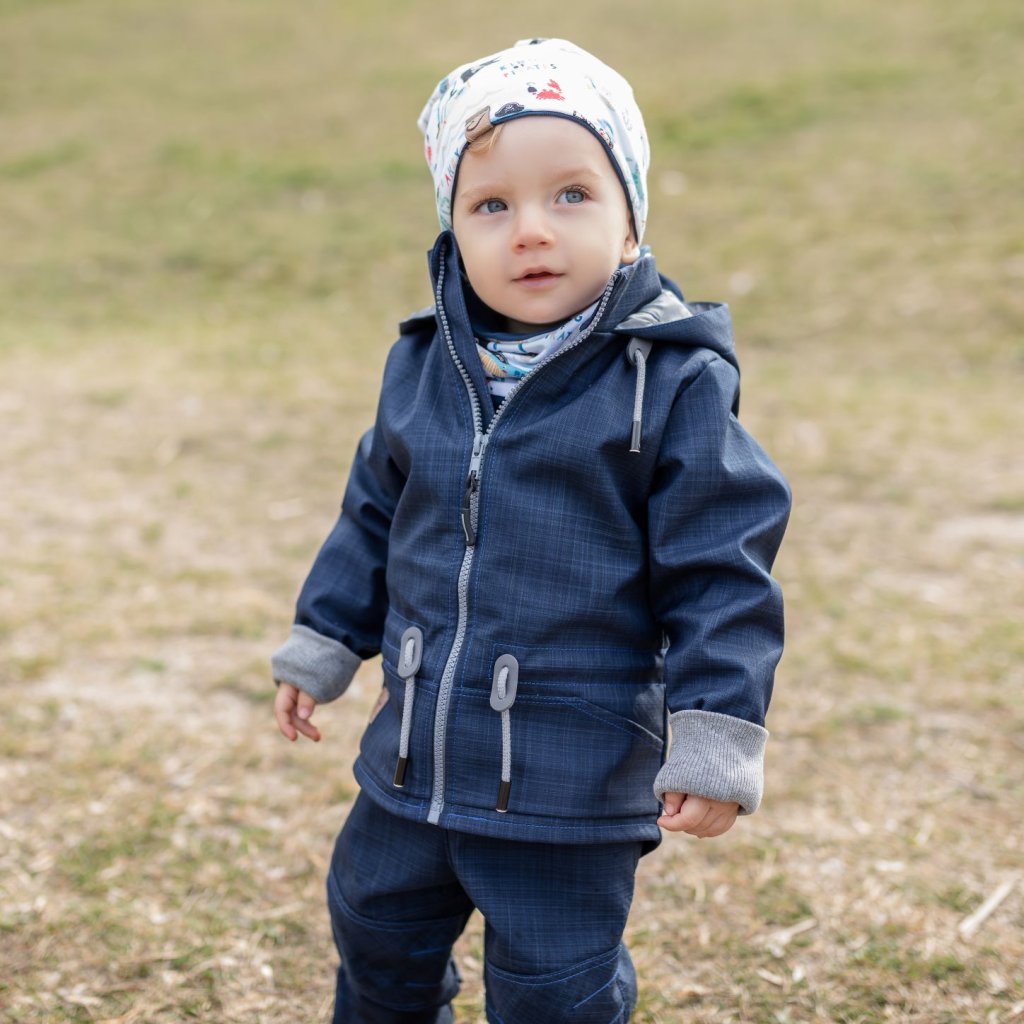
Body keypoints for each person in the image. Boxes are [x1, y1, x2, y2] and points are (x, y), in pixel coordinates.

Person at [271, 37, 791, 1024]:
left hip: (569, 778)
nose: (532, 232)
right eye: (491, 206)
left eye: (572, 195)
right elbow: (373, 513)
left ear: (630, 225)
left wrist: (715, 737)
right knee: (373, 926)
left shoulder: (670, 384)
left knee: (554, 987)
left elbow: (720, 573)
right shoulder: (423, 366)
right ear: (452, 232)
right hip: (412, 756)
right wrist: (324, 640)